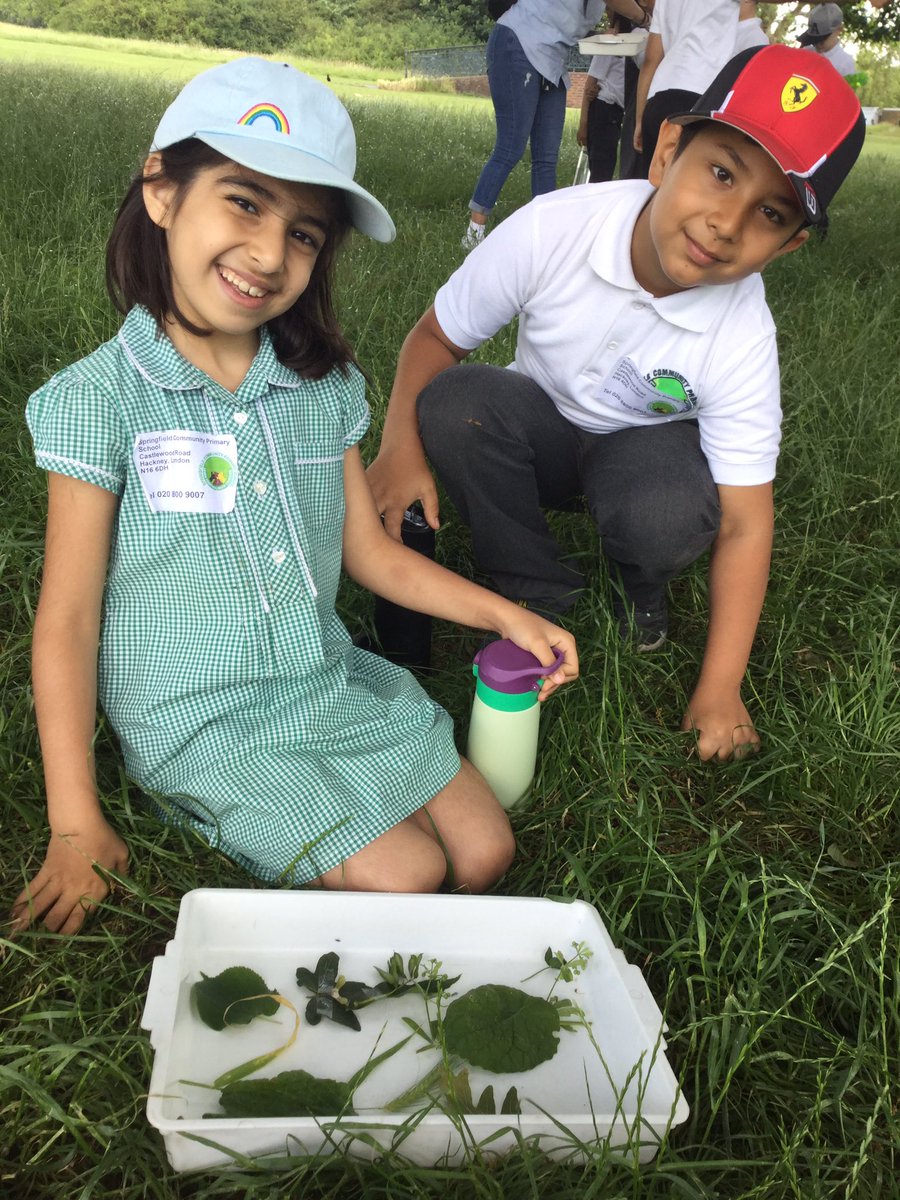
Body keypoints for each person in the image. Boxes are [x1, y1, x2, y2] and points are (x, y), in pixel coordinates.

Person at [11, 58, 578, 937]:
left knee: (483, 851)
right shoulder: (101, 399)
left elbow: (371, 552)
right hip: (199, 718)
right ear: (161, 189)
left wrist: (503, 617)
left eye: (304, 233)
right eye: (243, 201)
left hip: (322, 680)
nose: (270, 255)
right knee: (409, 875)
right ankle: (198, 801)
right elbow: (70, 619)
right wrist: (76, 820)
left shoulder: (320, 388)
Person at [368, 45, 864, 763]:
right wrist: (398, 450)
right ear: (667, 151)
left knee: (663, 507)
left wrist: (721, 687)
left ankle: (642, 589)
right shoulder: (556, 226)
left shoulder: (743, 335)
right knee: (455, 402)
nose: (726, 221)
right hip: (534, 427)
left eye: (768, 213)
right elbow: (434, 339)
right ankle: (537, 593)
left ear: (785, 247)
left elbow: (748, 524)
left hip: (641, 456)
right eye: (720, 173)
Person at [463, 0, 653, 250]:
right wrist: (646, 18)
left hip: (552, 60)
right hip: (519, 42)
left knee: (547, 157)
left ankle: (544, 237)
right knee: (510, 147)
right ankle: (473, 233)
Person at [633, 0, 741, 174]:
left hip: (658, 98)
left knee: (652, 190)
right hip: (701, 97)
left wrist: (639, 118)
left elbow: (651, 60)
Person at [577, 9, 630, 183]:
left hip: (615, 113)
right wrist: (583, 125)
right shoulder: (611, 41)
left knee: (605, 167)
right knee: (601, 172)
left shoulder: (632, 43)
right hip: (603, 110)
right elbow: (590, 84)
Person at [799, 4, 857, 79]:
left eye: (822, 38)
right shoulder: (805, 52)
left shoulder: (845, 63)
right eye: (814, 39)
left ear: (839, 30)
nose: (818, 43)